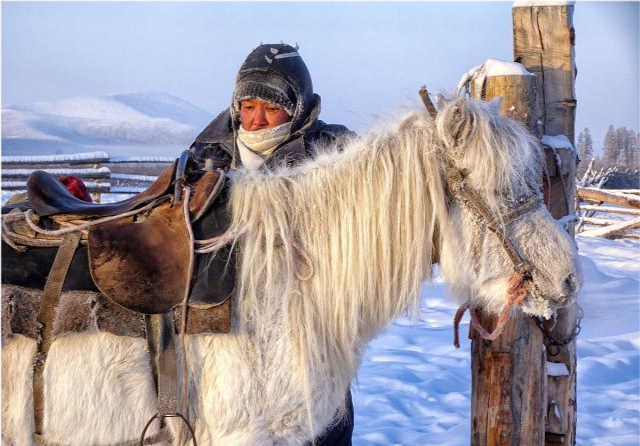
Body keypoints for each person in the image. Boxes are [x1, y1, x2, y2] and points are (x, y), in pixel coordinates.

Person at [189, 43, 355, 445]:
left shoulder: (335, 153)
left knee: (322, 422)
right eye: (247, 106)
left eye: (271, 107)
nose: (257, 119)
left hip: (312, 322)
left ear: (297, 108)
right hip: (231, 328)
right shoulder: (205, 155)